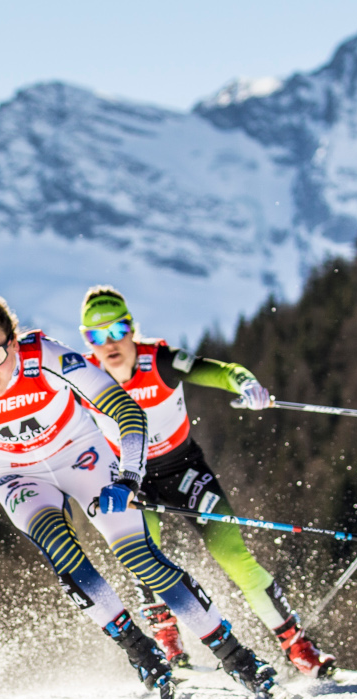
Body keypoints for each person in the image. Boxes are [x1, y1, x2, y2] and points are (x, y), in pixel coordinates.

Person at [0, 291, 275, 699]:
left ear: (15, 344)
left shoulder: (47, 358)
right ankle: (142, 653)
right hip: (18, 476)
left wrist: (127, 478)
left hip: (82, 457)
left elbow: (125, 410)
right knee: (66, 557)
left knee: (140, 557)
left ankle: (235, 656)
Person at [76, 287, 333, 677]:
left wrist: (247, 386)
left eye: (117, 330)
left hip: (184, 471)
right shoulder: (84, 377)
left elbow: (224, 372)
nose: (109, 343)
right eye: (96, 336)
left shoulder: (159, 359)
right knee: (146, 557)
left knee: (232, 555)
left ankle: (298, 646)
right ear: (86, 341)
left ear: (132, 329)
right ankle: (167, 639)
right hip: (132, 480)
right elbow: (44, 418)